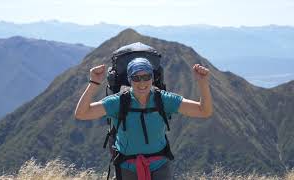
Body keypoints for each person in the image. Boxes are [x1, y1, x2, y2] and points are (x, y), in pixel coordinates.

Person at [75, 58, 213, 180]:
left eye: (146, 77)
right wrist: (93, 82)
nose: (142, 83)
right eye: (136, 78)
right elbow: (82, 113)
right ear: (129, 79)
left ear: (152, 78)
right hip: (127, 166)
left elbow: (204, 111)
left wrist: (203, 83)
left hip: (160, 165)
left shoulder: (164, 99)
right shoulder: (118, 102)